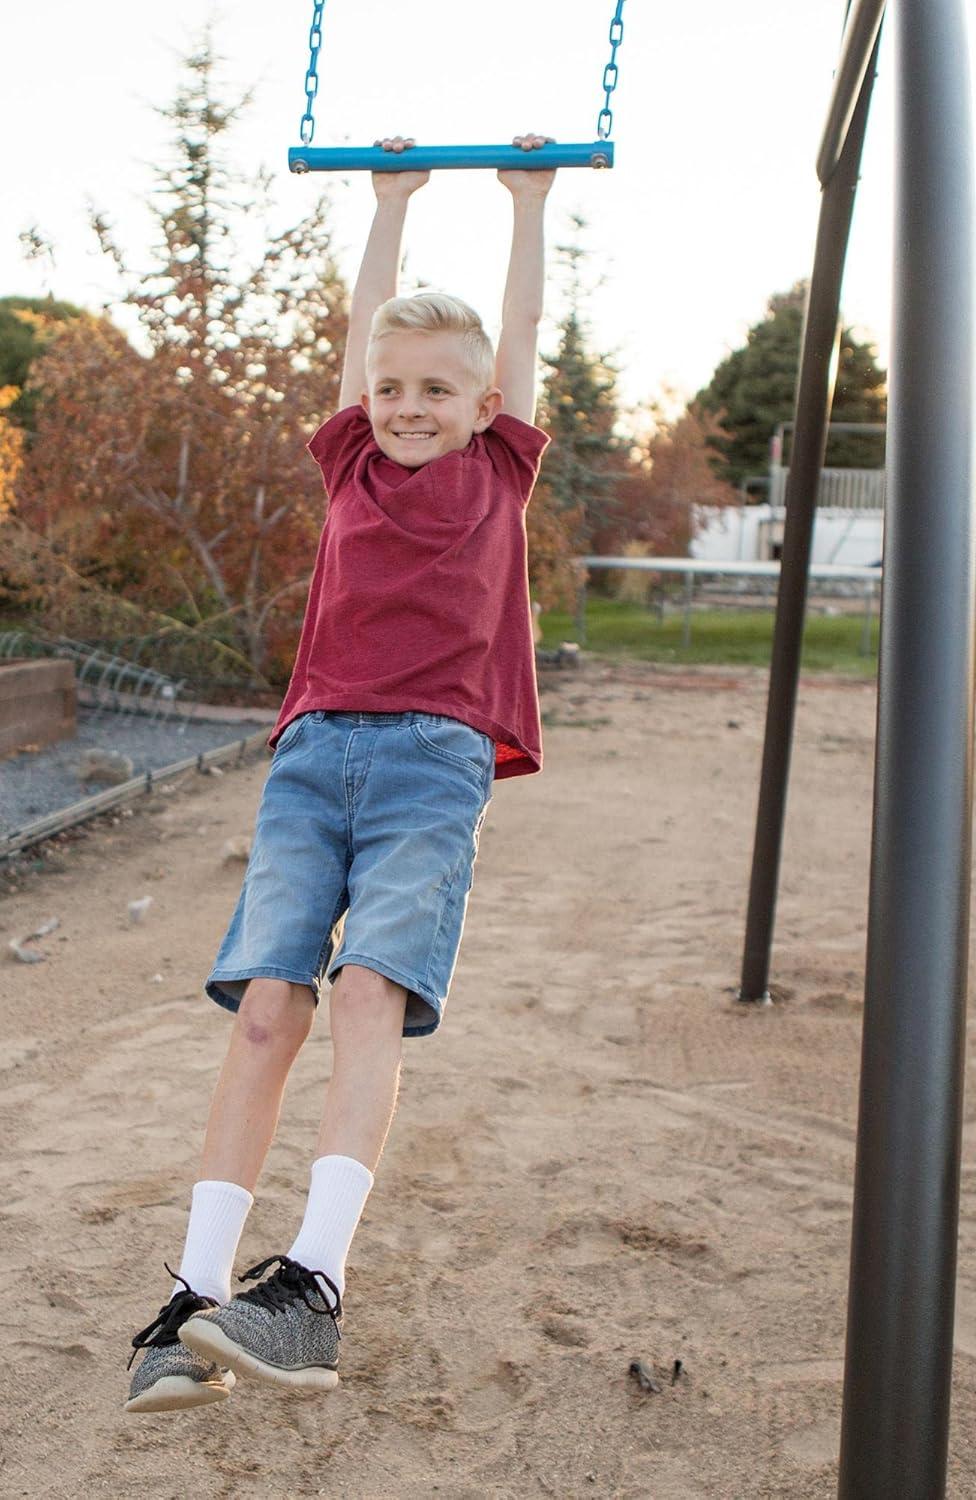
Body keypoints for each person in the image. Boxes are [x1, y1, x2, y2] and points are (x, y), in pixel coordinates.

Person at [124, 134, 556, 1413]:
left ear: (481, 406)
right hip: (313, 756)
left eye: (437, 387)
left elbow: (521, 323)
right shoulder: (351, 461)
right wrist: (392, 203)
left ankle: (312, 1283)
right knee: (268, 1010)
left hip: (434, 759)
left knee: (370, 994)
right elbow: (363, 327)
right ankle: (196, 1297)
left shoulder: (498, 469)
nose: (409, 404)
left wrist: (524, 209)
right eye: (393, 386)